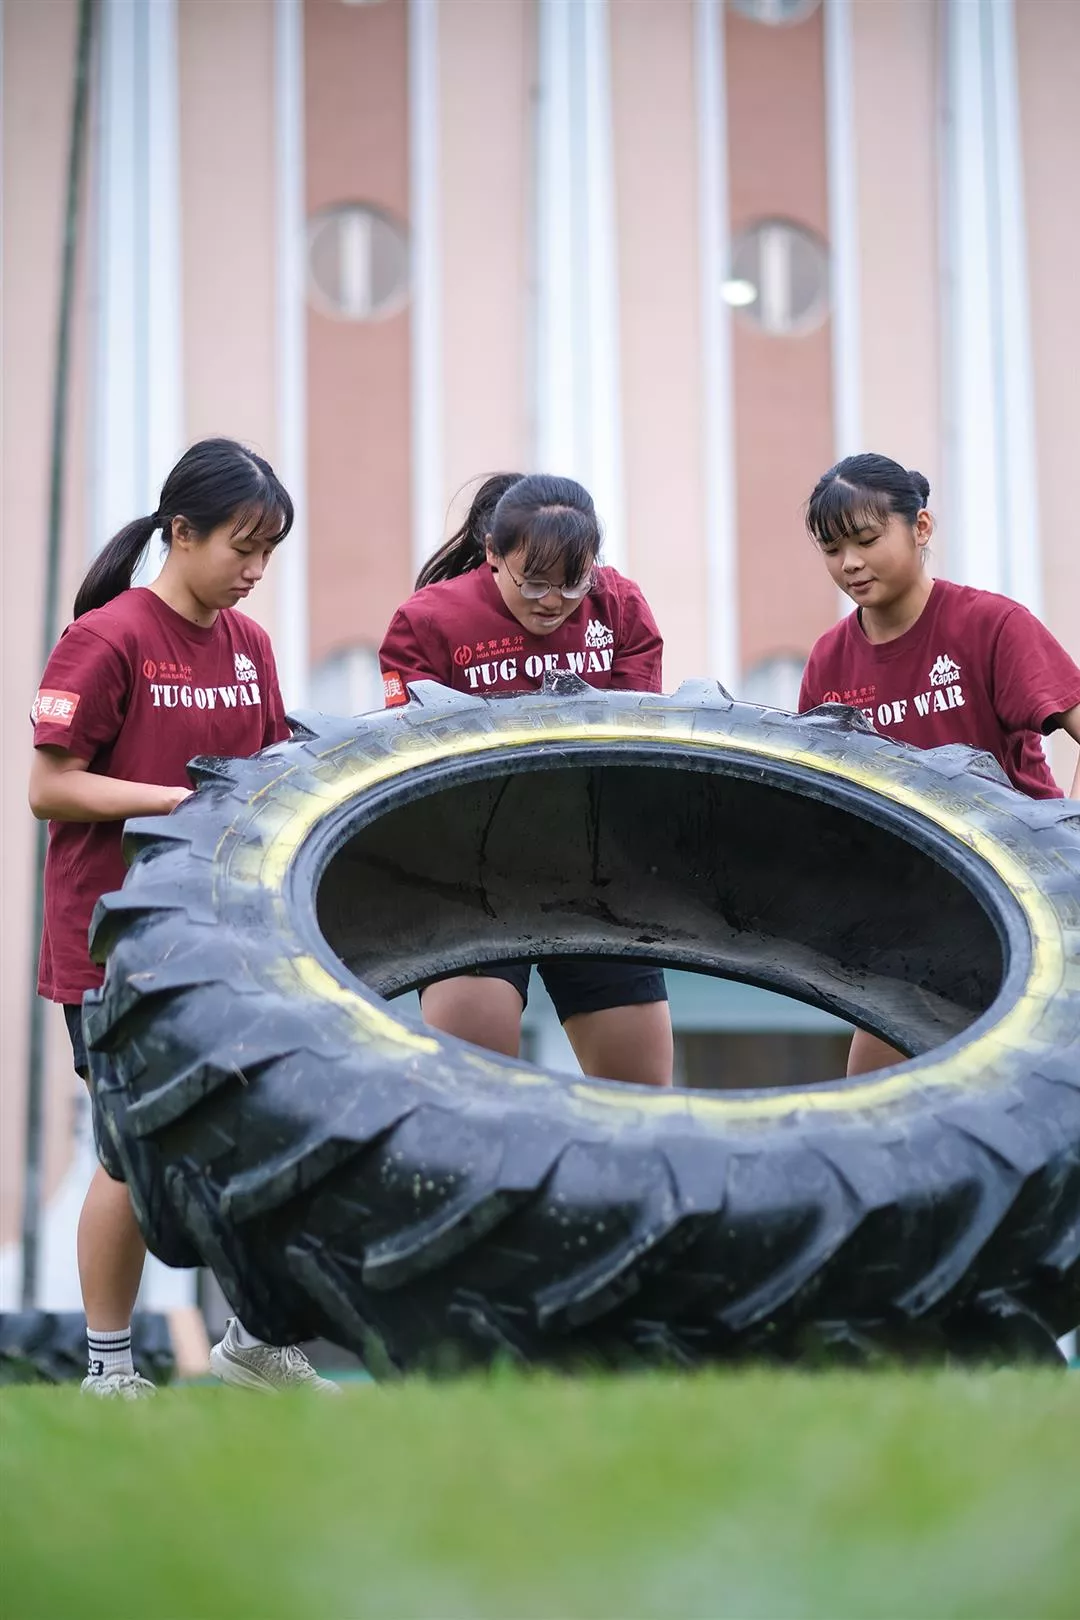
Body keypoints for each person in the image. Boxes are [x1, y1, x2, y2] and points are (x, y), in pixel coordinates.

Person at [30, 437, 338, 1397]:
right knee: (133, 1151)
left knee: (262, 1131)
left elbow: (266, 769)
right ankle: (110, 1370)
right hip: (115, 941)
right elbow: (49, 788)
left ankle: (254, 1344)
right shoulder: (108, 637)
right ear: (181, 532)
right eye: (243, 547)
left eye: (269, 552)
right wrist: (177, 801)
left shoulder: (250, 647)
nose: (255, 571)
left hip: (227, 934)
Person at [379, 472, 673, 1087]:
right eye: (533, 582)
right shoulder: (427, 622)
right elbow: (415, 764)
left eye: (573, 583)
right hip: (468, 879)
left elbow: (632, 748)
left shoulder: (620, 607)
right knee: (475, 1094)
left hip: (595, 874)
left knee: (640, 1100)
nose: (552, 602)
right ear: (492, 553)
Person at [799, 452, 1080, 1077]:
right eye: (832, 549)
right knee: (875, 1097)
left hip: (1024, 908)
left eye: (866, 540)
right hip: (911, 921)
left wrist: (1069, 842)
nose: (850, 563)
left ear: (920, 527)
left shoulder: (991, 625)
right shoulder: (828, 661)